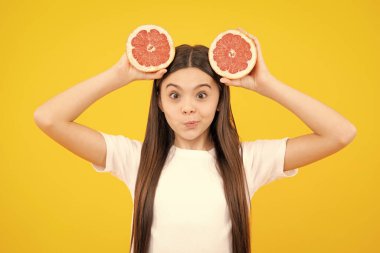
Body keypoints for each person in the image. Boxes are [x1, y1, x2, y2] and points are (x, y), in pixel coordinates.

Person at [33, 28, 357, 253]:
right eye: (174, 95)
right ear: (159, 102)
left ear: (219, 101)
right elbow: (48, 118)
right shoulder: (135, 159)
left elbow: (340, 133)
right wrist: (120, 75)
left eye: (202, 94)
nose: (188, 107)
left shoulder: (247, 162)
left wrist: (266, 84)